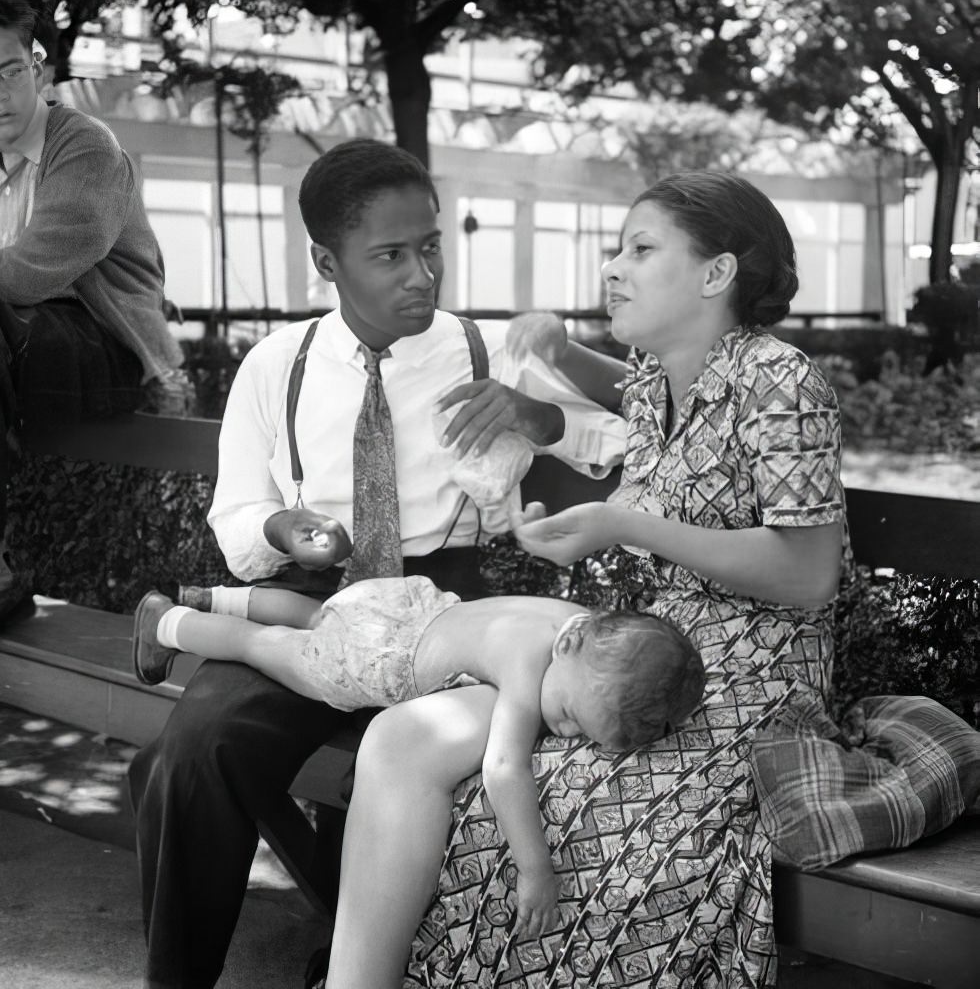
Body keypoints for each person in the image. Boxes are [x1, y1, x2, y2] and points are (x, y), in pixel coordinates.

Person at [319, 170, 845, 989]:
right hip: (638, 651)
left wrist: (624, 524)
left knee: (560, 814)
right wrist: (557, 348)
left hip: (752, 681)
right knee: (407, 741)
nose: (614, 266)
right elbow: (628, 395)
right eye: (617, 248)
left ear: (716, 275)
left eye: (641, 249)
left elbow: (810, 575)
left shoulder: (780, 379)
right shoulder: (666, 373)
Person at [126, 136, 626, 988]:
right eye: (390, 256)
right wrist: (285, 529)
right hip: (315, 598)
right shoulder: (275, 367)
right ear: (326, 259)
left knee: (396, 766)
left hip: (445, 605)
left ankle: (351, 960)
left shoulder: (488, 349)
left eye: (431, 247)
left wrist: (536, 417)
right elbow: (236, 516)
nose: (422, 276)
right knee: (195, 751)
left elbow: (618, 443)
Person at [132, 578, 705, 936]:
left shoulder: (573, 623)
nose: (563, 730)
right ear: (565, 649)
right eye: (571, 716)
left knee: (315, 615)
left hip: (403, 601)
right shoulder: (531, 665)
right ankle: (166, 623)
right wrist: (537, 871)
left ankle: (214, 595)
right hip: (375, 658)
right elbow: (504, 770)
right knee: (263, 648)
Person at [0, 0, 183, 672]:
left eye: (12, 70)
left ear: (38, 66)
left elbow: (35, 270)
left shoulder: (87, 147)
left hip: (105, 348)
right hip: (2, 348)